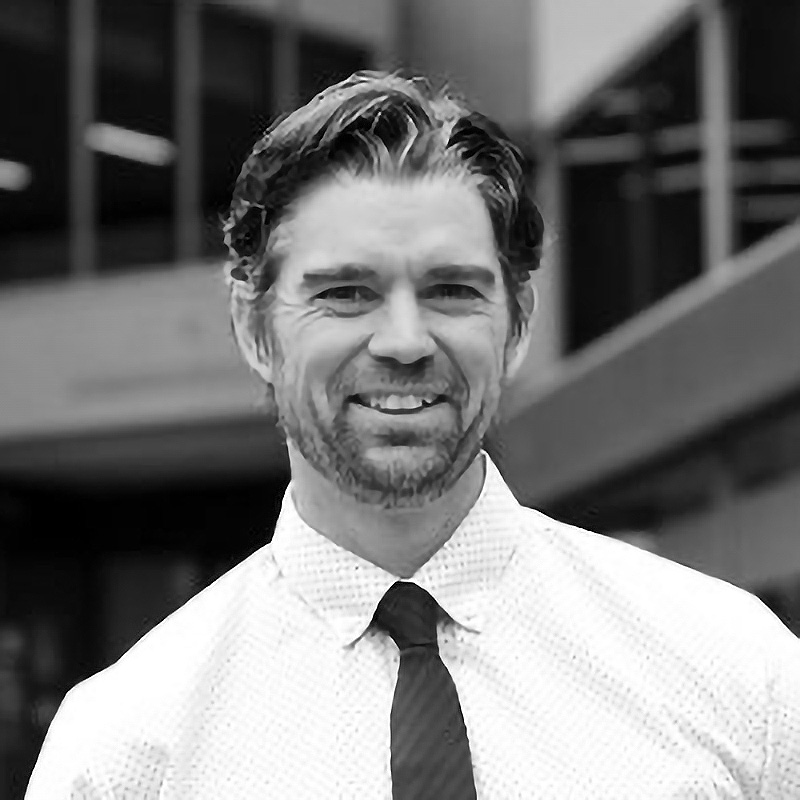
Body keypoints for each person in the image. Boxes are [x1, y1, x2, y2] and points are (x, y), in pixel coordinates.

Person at [25, 71, 800, 799]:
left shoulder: (737, 674)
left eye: (451, 290)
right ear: (254, 329)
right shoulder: (124, 748)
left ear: (518, 322)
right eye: (346, 292)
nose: (403, 340)